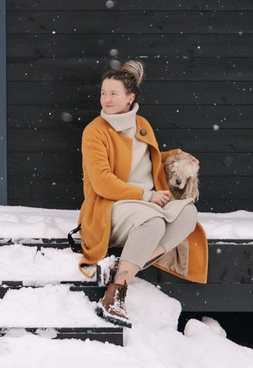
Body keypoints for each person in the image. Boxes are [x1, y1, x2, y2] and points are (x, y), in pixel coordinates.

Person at [78, 60, 206, 324]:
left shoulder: (142, 125)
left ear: (130, 97)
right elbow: (102, 182)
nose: (107, 99)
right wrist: (147, 196)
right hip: (110, 206)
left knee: (188, 213)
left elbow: (150, 163)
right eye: (103, 93)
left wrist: (181, 160)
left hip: (148, 203)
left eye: (114, 94)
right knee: (154, 221)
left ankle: (123, 265)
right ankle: (116, 292)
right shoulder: (95, 131)